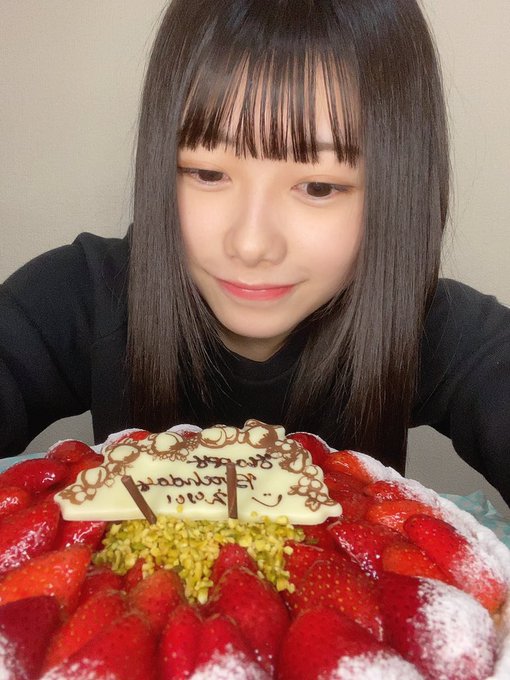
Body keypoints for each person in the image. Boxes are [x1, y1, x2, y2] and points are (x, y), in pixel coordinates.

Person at [1, 0, 509, 503]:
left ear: (398, 189)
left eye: (318, 187)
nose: (250, 244)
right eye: (207, 174)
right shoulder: (77, 299)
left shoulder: (438, 330)